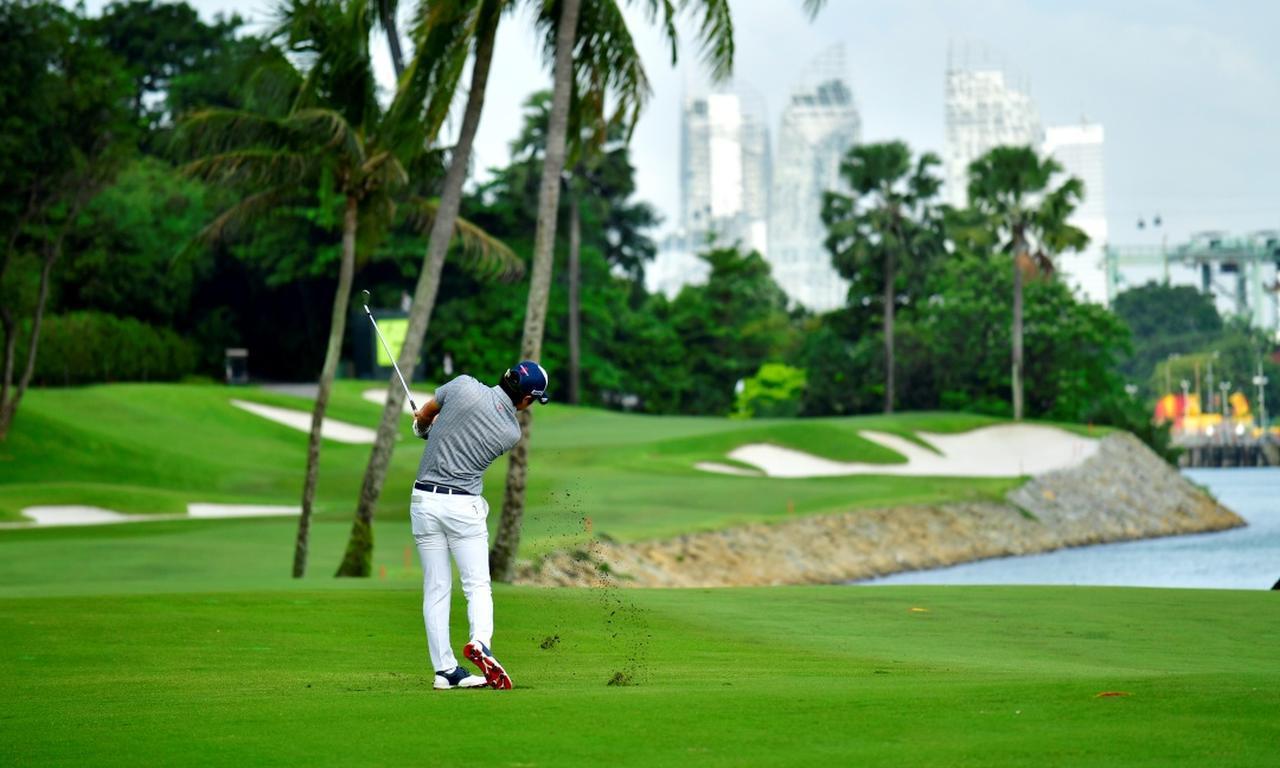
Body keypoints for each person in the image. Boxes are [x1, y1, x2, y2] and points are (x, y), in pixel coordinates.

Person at [409, 361, 549, 690]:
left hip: (424, 502)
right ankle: (481, 643)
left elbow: (427, 415)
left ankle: (444, 671)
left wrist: (424, 427)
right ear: (526, 400)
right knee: (477, 586)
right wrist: (437, 427)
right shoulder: (510, 433)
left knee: (436, 587)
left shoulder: (462, 385)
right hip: (462, 507)